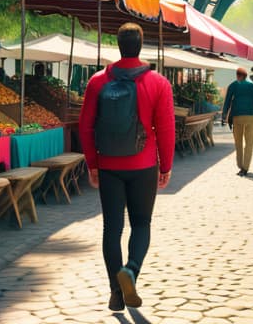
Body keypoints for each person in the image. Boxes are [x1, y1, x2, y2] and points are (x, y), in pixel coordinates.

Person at [80, 23, 175, 312]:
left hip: (109, 164)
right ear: (141, 44)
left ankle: (115, 294)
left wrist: (93, 164)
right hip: (144, 165)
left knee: (112, 228)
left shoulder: (98, 81)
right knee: (142, 224)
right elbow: (167, 128)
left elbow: (85, 126)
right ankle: (131, 271)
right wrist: (166, 166)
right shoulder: (158, 83)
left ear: (118, 44)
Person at [220, 67, 253, 176]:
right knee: (249, 143)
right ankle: (246, 167)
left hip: (237, 117)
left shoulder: (233, 85)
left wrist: (224, 116)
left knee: (238, 143)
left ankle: (240, 166)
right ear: (246, 76)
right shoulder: (252, 85)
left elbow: (227, 102)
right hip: (251, 117)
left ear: (237, 75)